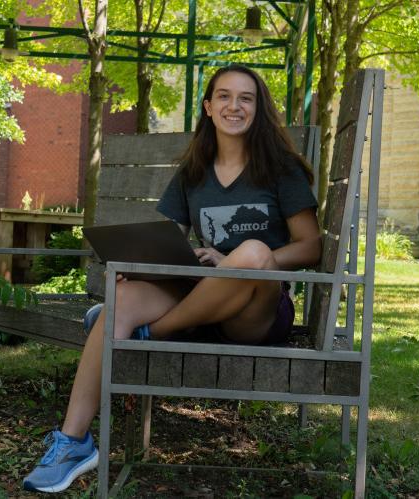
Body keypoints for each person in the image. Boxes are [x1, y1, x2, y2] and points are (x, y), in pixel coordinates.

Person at [22, 64, 321, 493]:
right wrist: (139, 265)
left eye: (246, 98)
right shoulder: (194, 172)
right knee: (118, 302)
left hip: (256, 311)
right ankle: (73, 443)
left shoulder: (281, 170)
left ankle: (151, 332)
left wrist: (238, 259)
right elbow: (169, 244)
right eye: (224, 96)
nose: (234, 106)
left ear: (259, 109)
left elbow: (310, 246)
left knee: (252, 252)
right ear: (208, 106)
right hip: (202, 295)